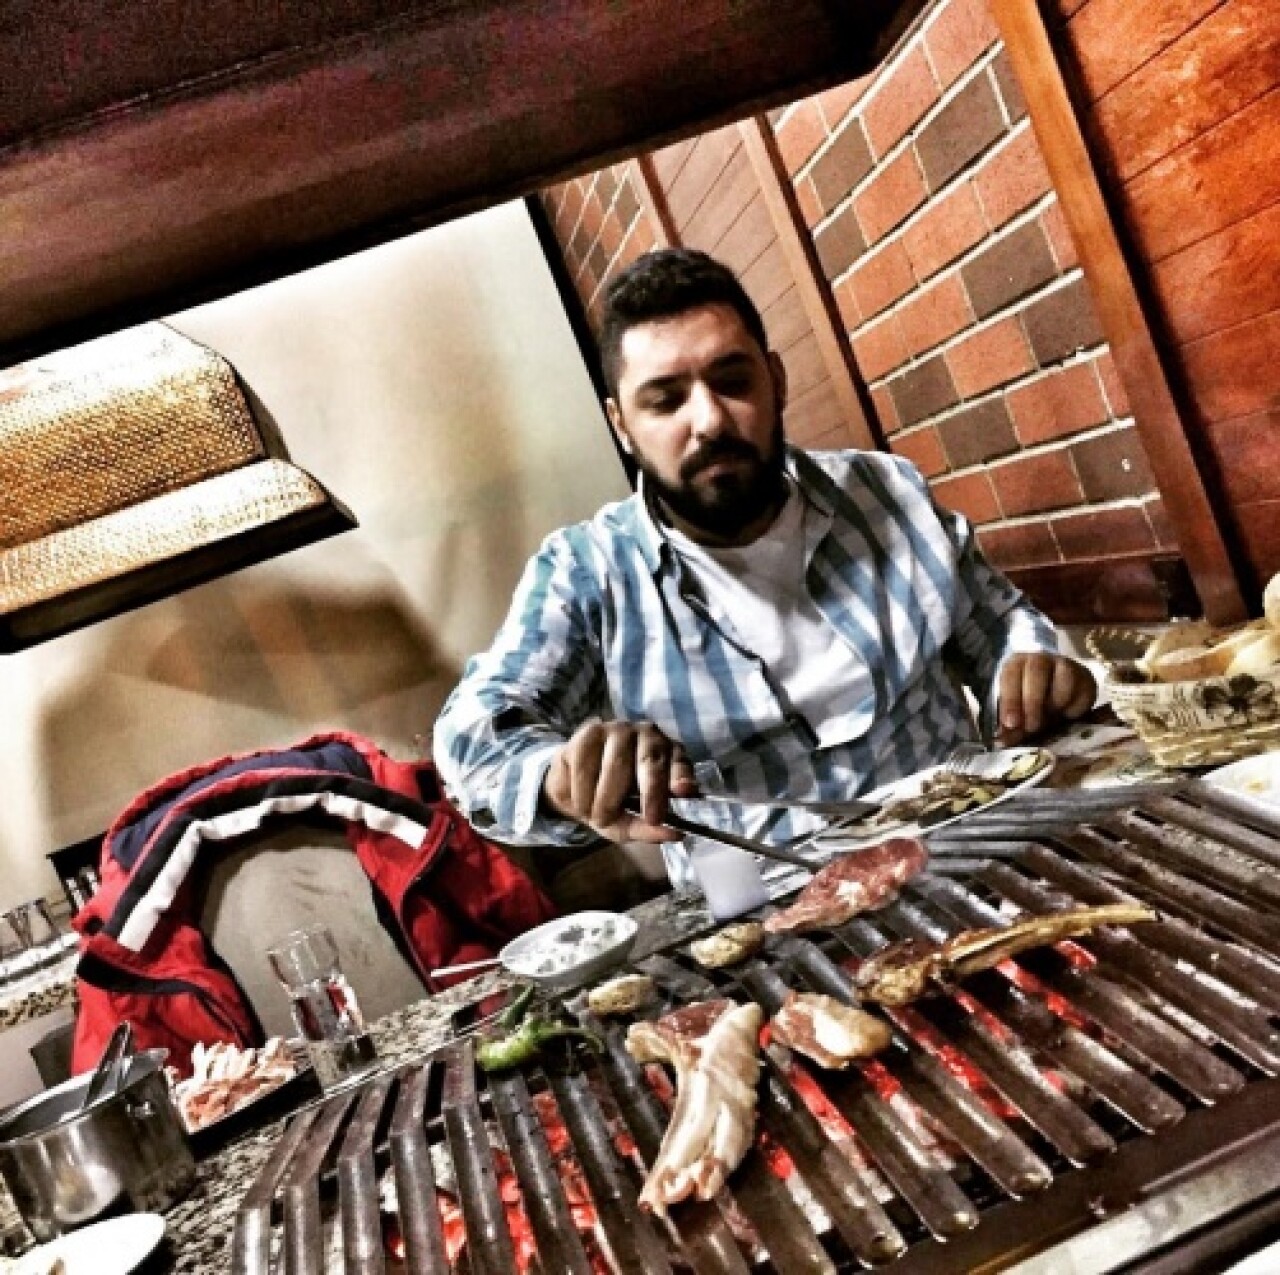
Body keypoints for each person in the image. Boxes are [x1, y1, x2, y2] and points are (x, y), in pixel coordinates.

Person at [433, 248, 1095, 887]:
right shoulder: (588, 571)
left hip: (975, 856)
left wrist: (1030, 666)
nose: (710, 420)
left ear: (775, 381)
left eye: (732, 381)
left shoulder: (888, 493)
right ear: (623, 426)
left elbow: (1003, 625)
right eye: (665, 400)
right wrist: (559, 776)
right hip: (773, 920)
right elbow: (470, 744)